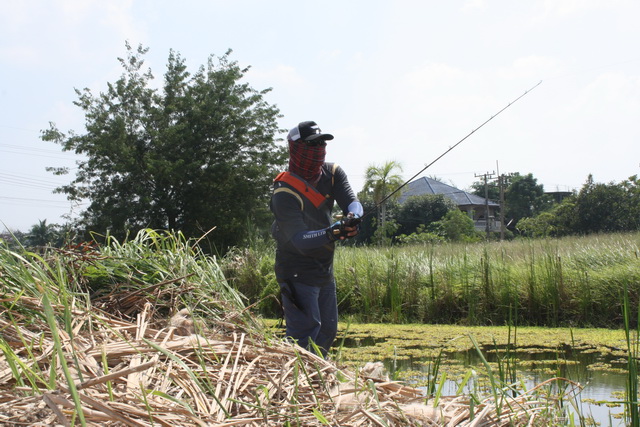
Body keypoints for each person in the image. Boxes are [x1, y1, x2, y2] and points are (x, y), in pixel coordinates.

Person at [270, 120, 363, 357]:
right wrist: (333, 232)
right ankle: (295, 386)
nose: (318, 149)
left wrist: (353, 218)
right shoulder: (284, 191)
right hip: (296, 272)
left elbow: (352, 201)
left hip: (324, 269)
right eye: (311, 145)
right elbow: (299, 239)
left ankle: (319, 386)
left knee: (327, 332)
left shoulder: (332, 173)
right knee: (305, 336)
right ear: (295, 148)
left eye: (321, 144)